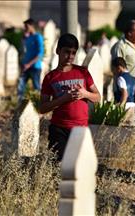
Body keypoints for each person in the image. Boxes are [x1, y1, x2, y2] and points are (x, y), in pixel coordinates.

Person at [40, 33, 101, 161]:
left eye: (73, 53)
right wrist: (63, 99)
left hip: (80, 129)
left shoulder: (82, 72)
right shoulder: (50, 77)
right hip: (59, 129)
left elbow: (98, 97)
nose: (70, 56)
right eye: (67, 52)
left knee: (80, 167)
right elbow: (43, 108)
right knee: (60, 166)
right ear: (58, 51)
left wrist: (85, 94)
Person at [17, 18, 44, 102]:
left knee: (36, 87)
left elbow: (40, 54)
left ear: (31, 26)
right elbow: (23, 52)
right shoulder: (27, 38)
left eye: (26, 26)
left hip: (35, 67)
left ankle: (39, 105)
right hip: (25, 67)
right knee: (20, 87)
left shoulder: (38, 37)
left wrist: (29, 64)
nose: (25, 28)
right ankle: (20, 105)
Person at [112, 57, 135, 126]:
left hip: (124, 107)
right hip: (132, 105)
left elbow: (125, 94)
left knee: (121, 129)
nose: (114, 72)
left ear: (119, 68)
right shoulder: (132, 78)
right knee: (130, 130)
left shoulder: (121, 78)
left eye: (114, 69)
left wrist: (120, 107)